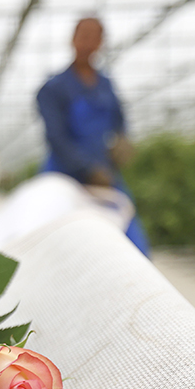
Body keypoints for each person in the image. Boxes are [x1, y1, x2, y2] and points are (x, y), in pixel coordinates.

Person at [36, 16, 150, 256]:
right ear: (73, 40)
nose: (88, 43)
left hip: (104, 174)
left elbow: (119, 121)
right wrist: (87, 169)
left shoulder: (105, 85)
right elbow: (56, 137)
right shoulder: (53, 88)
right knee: (55, 239)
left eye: (94, 38)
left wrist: (122, 141)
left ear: (101, 43)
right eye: (83, 36)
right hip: (64, 173)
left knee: (129, 234)